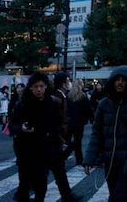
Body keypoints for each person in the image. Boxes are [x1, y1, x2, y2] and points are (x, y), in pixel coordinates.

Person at [83, 66, 127, 202]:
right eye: (117, 80)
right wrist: (89, 158)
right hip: (110, 161)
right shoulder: (104, 104)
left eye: (123, 80)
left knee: (121, 196)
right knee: (115, 194)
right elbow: (97, 133)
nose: (119, 83)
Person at [9, 72, 66, 202]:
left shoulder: (52, 103)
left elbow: (58, 123)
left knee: (41, 182)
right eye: (36, 86)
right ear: (30, 87)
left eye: (41, 86)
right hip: (26, 148)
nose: (39, 89)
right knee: (25, 183)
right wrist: (22, 128)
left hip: (44, 147)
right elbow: (11, 125)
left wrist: (53, 135)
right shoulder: (23, 104)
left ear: (46, 86)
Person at [64, 79, 93, 166]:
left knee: (68, 141)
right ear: (80, 84)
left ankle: (66, 155)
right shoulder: (83, 96)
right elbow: (88, 109)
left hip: (69, 121)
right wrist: (92, 119)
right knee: (78, 140)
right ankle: (78, 159)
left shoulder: (68, 96)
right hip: (80, 122)